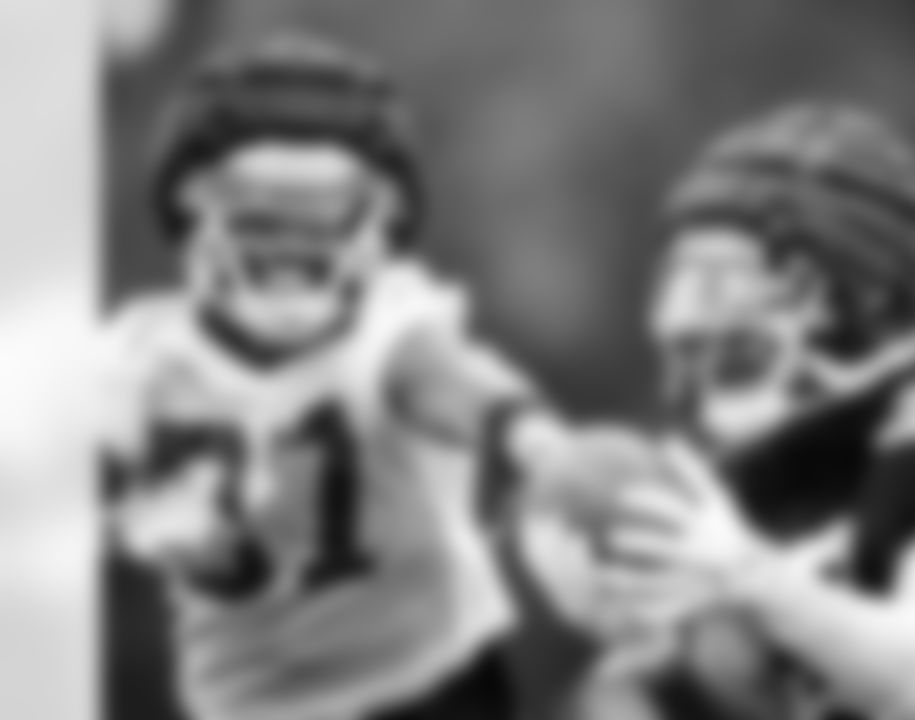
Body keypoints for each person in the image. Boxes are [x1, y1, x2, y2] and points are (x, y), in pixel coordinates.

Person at [99, 34, 637, 720]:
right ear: (191, 207)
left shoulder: (388, 327)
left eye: (323, 206)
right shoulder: (144, 361)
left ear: (385, 221)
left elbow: (442, 381)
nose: (291, 239)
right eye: (260, 206)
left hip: (426, 681)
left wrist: (530, 437)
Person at [537, 103, 915, 720]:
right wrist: (647, 649)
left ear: (866, 294)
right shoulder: (729, 503)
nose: (684, 316)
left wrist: (753, 581)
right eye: (679, 276)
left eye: (719, 278)